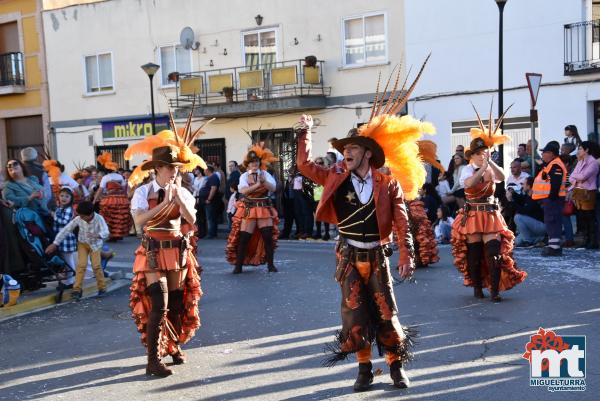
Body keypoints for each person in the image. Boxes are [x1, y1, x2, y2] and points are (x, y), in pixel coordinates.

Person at [298, 72, 435, 391]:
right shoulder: (335, 176)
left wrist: (406, 254)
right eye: (344, 148)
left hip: (377, 255)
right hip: (347, 256)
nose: (346, 152)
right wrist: (304, 133)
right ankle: (363, 370)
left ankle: (395, 366)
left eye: (352, 148)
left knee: (386, 313)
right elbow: (305, 167)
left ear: (367, 153)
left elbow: (402, 221)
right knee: (355, 316)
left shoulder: (387, 184)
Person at [125, 130, 204, 378]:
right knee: (159, 304)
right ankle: (153, 360)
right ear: (158, 168)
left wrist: (178, 200)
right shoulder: (142, 192)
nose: (175, 172)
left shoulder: (183, 191)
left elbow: (192, 221)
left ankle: (173, 346)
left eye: (177, 168)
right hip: (151, 253)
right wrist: (164, 202)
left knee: (177, 304)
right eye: (171, 168)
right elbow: (139, 222)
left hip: (177, 252)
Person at [451, 113, 527, 303]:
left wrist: (490, 162)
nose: (482, 155)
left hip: (491, 214)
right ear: (472, 155)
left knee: (494, 253)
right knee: (475, 255)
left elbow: (501, 177)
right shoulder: (467, 169)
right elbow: (469, 184)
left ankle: (495, 290)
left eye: (484, 152)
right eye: (479, 153)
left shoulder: (489, 165)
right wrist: (483, 168)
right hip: (474, 215)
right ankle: (477, 287)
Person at [226, 145, 279, 273]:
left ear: (259, 163)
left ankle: (271, 265)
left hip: (263, 208)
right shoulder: (244, 176)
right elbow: (243, 191)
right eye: (252, 163)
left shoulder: (265, 174)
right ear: (248, 165)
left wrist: (264, 182)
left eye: (256, 162)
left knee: (267, 236)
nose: (254, 164)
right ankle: (238, 266)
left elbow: (273, 188)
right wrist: (258, 184)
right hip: (249, 208)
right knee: (244, 237)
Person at [45, 201, 109, 301]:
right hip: (82, 244)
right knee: (81, 266)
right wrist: (55, 243)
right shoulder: (79, 218)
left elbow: (106, 231)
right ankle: (77, 290)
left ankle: (102, 288)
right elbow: (66, 229)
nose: (81, 218)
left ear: (91, 214)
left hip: (95, 246)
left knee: (96, 266)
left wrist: (98, 235)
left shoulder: (99, 218)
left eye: (83, 216)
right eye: (80, 216)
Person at [532, 142, 568, 256]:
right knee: (551, 221)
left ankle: (554, 247)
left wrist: (551, 198)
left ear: (552, 154)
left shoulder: (555, 165)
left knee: (552, 221)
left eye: (545, 152)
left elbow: (555, 184)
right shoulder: (550, 164)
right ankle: (553, 245)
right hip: (551, 199)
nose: (542, 155)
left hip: (553, 199)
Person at [569, 141, 600, 249]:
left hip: (588, 192)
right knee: (582, 217)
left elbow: (583, 176)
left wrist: (577, 177)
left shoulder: (593, 162)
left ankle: (593, 241)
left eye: (581, 148)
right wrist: (578, 177)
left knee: (589, 217)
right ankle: (586, 240)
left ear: (586, 150)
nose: (579, 151)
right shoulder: (580, 161)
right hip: (579, 191)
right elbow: (571, 177)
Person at [94, 152, 131, 241]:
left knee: (110, 217)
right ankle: (118, 234)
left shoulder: (105, 178)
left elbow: (100, 189)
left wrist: (95, 199)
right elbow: (123, 187)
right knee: (119, 216)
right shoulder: (120, 176)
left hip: (110, 199)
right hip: (121, 199)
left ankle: (111, 235)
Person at [51, 187, 77, 288]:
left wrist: (54, 216)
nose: (64, 198)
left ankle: (71, 281)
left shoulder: (69, 209)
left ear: (71, 198)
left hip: (67, 239)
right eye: (62, 196)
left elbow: (64, 222)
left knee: (68, 261)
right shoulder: (59, 208)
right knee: (64, 261)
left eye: (67, 196)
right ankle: (67, 280)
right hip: (60, 239)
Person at [509, 176, 545, 247]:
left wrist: (511, 202)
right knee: (517, 242)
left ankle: (528, 241)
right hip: (532, 227)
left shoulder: (535, 197)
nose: (522, 186)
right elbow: (521, 199)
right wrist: (513, 193)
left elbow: (524, 210)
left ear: (529, 186)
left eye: (524, 184)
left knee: (518, 217)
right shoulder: (528, 196)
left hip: (541, 226)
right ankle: (539, 239)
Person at [198, 165, 220, 239]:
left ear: (208, 170)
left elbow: (213, 189)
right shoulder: (210, 177)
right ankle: (212, 233)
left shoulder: (213, 177)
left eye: (204, 170)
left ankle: (211, 234)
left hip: (211, 201)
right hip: (207, 201)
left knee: (210, 218)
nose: (203, 171)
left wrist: (209, 199)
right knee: (210, 217)